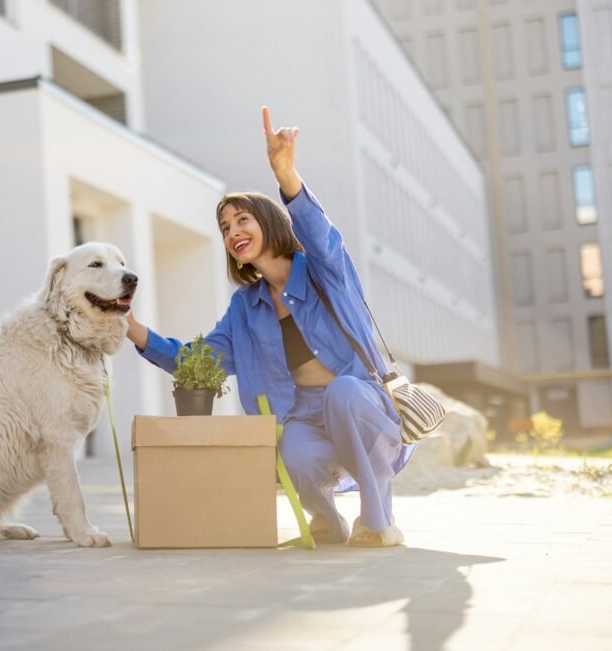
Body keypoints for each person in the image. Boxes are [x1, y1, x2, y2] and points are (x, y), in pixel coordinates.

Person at [125, 106, 413, 547]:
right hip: (303, 412)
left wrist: (285, 173)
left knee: (343, 391)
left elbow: (319, 234)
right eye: (225, 227)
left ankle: (378, 521)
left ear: (270, 222)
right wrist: (131, 329)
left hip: (360, 402)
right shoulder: (246, 306)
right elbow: (201, 361)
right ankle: (326, 521)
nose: (233, 231)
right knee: (292, 445)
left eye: (243, 219)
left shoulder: (322, 271)